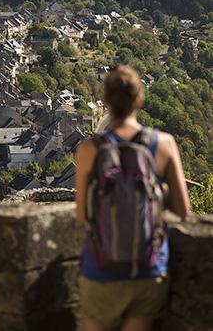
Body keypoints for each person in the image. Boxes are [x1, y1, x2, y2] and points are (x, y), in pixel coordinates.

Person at [75, 65, 190, 331]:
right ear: (140, 98)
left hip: (100, 270)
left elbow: (82, 216)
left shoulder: (89, 150)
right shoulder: (164, 144)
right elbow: (184, 213)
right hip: (147, 271)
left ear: (105, 101)